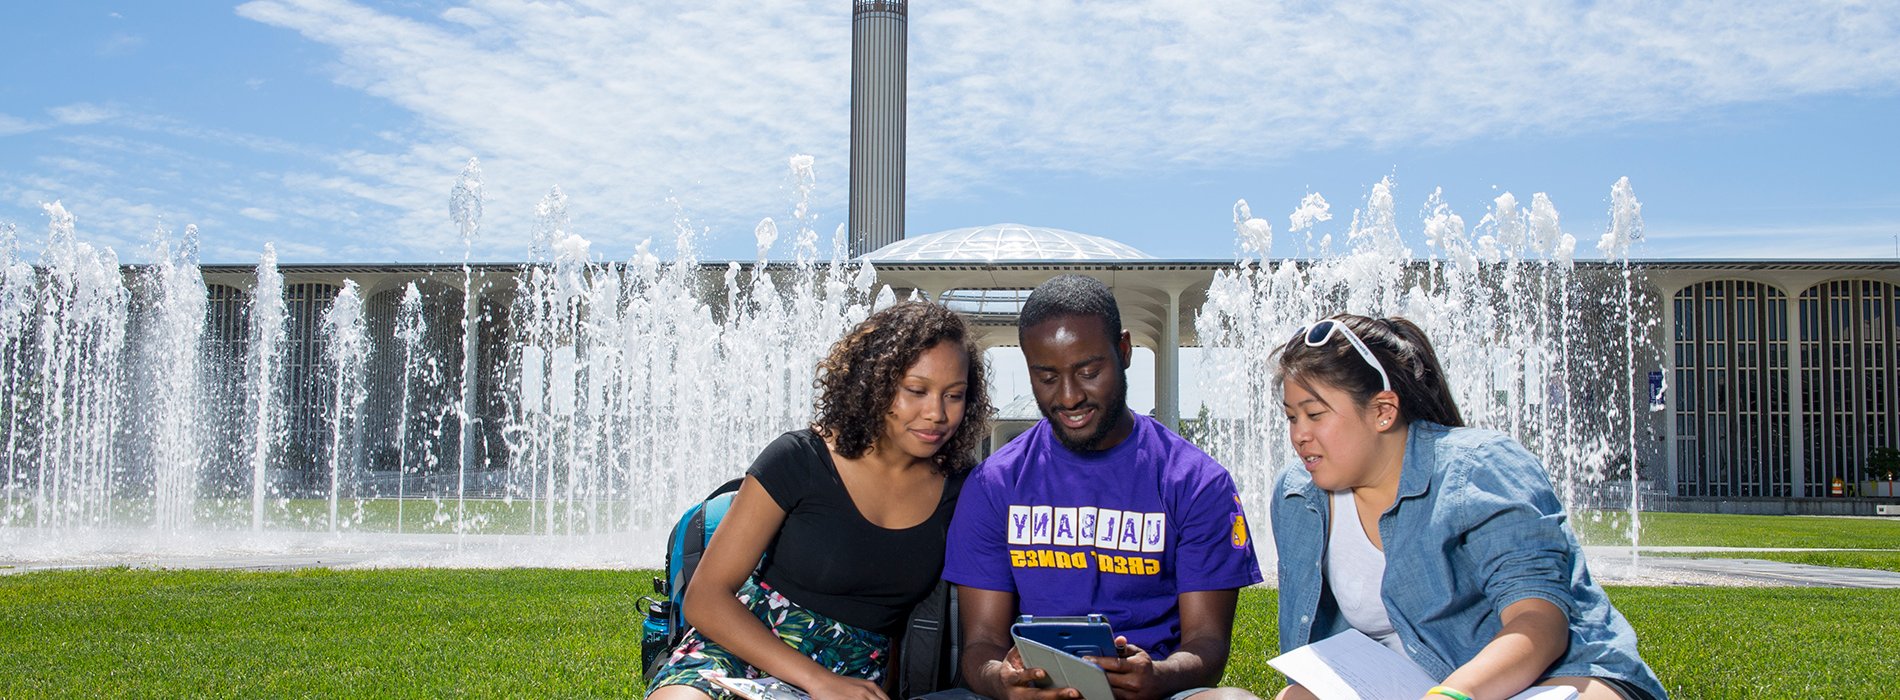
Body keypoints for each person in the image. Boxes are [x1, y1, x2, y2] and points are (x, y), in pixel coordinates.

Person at [1270, 314, 1667, 700]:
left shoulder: (1478, 468)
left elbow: (1538, 620)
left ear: (1383, 411)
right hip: (1409, 680)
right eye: (1291, 417)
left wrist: (1453, 694)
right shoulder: (1297, 495)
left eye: (1315, 415)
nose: (1299, 435)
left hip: (1550, 676)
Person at [934, 274, 1264, 700]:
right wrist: (1003, 680)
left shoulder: (1196, 482)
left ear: (1123, 351)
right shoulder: (996, 482)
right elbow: (981, 645)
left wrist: (1159, 676)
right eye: (1047, 377)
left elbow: (1207, 645)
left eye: (1089, 371)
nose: (1069, 397)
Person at [647, 301, 995, 700]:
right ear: (875, 383)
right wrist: (816, 680)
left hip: (855, 673)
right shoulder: (800, 458)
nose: (936, 413)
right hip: (740, 647)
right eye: (916, 390)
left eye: (954, 395)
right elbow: (705, 598)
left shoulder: (962, 488)